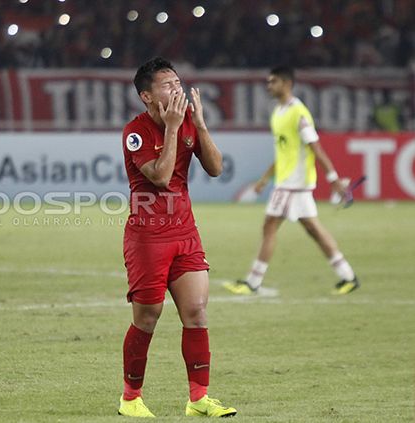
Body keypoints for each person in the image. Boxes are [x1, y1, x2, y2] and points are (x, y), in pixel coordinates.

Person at [118, 57, 237, 418]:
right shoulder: (135, 132)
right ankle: (130, 398)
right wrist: (171, 130)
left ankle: (199, 399)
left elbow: (215, 169)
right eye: (167, 85)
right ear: (147, 96)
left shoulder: (187, 122)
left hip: (185, 232)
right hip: (147, 237)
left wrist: (199, 125)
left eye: (178, 82)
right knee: (148, 317)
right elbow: (160, 176)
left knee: (197, 312)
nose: (177, 89)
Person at [223, 66, 359, 296]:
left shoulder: (299, 113)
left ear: (287, 83)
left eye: (273, 81)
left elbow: (315, 147)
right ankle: (348, 276)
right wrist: (265, 179)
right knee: (313, 229)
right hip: (289, 182)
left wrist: (333, 178)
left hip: (293, 183)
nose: (269, 86)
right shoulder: (278, 113)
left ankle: (253, 282)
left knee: (270, 226)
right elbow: (283, 152)